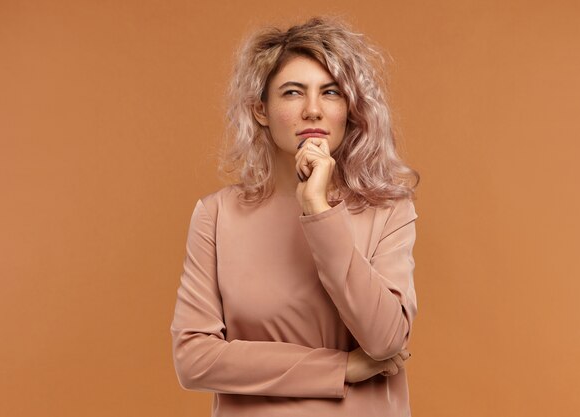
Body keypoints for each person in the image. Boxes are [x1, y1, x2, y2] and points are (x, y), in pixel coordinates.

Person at [170, 16, 420, 417]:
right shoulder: (217, 215)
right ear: (262, 110)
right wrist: (340, 368)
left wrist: (319, 210)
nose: (313, 111)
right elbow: (194, 359)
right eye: (292, 92)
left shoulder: (389, 211)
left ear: (350, 110)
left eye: (331, 92)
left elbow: (385, 339)